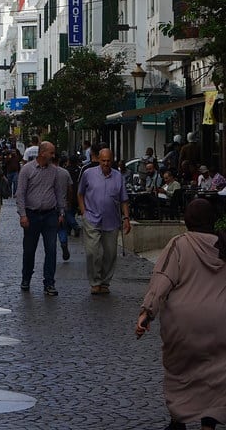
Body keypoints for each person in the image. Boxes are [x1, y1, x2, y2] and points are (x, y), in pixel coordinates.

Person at [135, 199, 226, 430]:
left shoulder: (179, 244)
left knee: (180, 373)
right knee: (217, 375)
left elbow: (162, 280)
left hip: (183, 325)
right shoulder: (224, 245)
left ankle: (179, 419)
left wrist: (146, 313)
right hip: (220, 324)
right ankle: (209, 424)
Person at [77, 146, 130, 295]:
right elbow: (80, 193)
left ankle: (105, 282)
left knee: (110, 253)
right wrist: (84, 211)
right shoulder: (88, 174)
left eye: (108, 161)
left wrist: (126, 217)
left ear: (112, 161)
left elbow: (124, 199)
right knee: (92, 252)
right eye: (103, 160)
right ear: (98, 160)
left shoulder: (118, 176)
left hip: (112, 220)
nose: (106, 163)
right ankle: (95, 281)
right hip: (92, 218)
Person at [15, 140, 65, 296]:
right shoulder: (27, 170)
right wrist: (23, 215)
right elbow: (20, 193)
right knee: (29, 250)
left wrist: (61, 212)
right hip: (32, 215)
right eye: (51, 152)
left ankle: (49, 283)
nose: (53, 155)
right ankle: (26, 278)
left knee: (51, 250)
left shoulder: (54, 171)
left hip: (50, 214)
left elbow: (58, 192)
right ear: (42, 153)